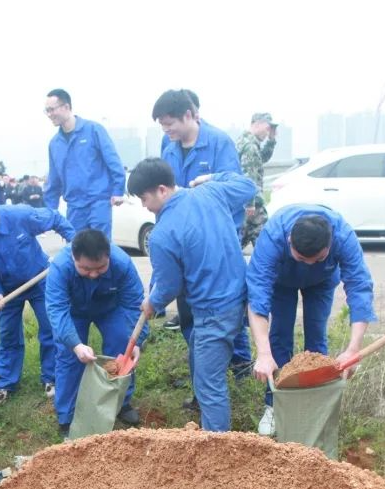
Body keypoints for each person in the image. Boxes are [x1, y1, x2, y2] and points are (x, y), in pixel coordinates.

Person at [128, 159, 255, 431]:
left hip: (214, 310)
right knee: (199, 351)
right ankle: (204, 409)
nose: (143, 205)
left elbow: (169, 286)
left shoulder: (162, 234)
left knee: (211, 386)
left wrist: (152, 302)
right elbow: (247, 186)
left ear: (162, 189)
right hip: (239, 297)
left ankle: (216, 449)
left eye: (144, 197)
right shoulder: (211, 192)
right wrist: (212, 176)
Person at [247, 205, 376, 435]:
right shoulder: (273, 236)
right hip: (282, 283)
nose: (308, 263)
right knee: (279, 337)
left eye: (317, 259)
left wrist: (354, 349)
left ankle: (315, 409)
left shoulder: (343, 236)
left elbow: (360, 288)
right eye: (300, 258)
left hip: (322, 283)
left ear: (329, 246)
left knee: (316, 339)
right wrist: (264, 354)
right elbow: (258, 296)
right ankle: (274, 407)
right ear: (289, 241)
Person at [153, 89, 252, 379]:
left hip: (217, 236)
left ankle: (240, 362)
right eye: (161, 124)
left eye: (169, 122)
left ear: (189, 115)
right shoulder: (167, 144)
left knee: (225, 302)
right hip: (184, 239)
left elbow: (235, 191)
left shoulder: (218, 142)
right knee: (188, 304)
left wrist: (208, 182)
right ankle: (203, 364)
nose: (166, 129)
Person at [0, 187, 75, 405]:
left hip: (39, 279)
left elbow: (55, 218)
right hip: (7, 290)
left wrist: (73, 245)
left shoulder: (21, 215)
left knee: (50, 328)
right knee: (8, 335)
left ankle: (52, 379)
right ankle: (6, 384)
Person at [46, 229, 147, 438]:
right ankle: (67, 416)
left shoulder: (122, 264)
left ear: (108, 256)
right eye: (85, 269)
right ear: (74, 258)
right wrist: (75, 344)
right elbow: (56, 310)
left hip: (109, 309)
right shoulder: (60, 267)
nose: (93, 274)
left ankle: (121, 402)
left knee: (121, 347)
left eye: (100, 268)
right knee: (69, 357)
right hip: (74, 312)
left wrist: (137, 340)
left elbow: (134, 305)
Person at [42, 88, 125, 238]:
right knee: (76, 250)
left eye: (51, 110)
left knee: (100, 248)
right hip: (74, 207)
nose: (49, 114)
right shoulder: (55, 144)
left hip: (98, 201)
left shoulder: (94, 130)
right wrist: (50, 211)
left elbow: (113, 161)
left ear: (66, 107)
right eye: (46, 111)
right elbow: (54, 181)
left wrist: (118, 190)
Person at [236, 112, 278, 247]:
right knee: (265, 246)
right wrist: (250, 203)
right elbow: (249, 176)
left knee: (239, 243)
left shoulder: (246, 141)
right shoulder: (250, 146)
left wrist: (272, 140)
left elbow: (261, 159)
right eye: (267, 128)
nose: (267, 132)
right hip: (251, 204)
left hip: (245, 201)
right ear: (257, 124)